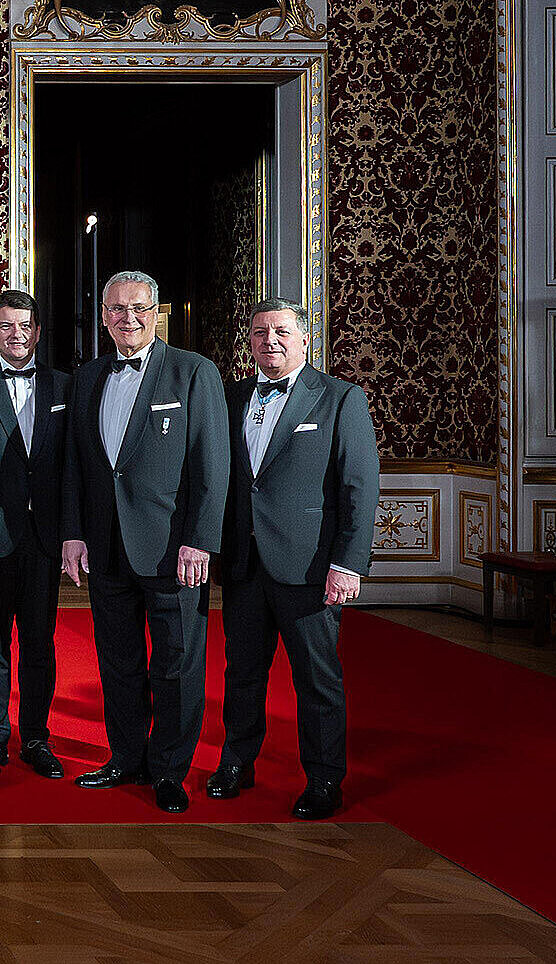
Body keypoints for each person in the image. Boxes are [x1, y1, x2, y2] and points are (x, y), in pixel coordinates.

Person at [61, 270, 230, 814]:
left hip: (172, 549)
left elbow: (212, 464)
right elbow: (78, 467)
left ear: (156, 312)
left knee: (177, 663)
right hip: (107, 548)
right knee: (118, 660)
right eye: (115, 308)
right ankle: (126, 757)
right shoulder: (87, 376)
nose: (126, 318)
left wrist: (200, 540)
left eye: (137, 308)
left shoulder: (192, 372)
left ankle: (169, 771)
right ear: (104, 315)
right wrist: (73, 533)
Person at [207, 299, 377, 820]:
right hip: (245, 562)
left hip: (309, 567)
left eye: (281, 331)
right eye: (259, 333)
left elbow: (360, 487)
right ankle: (237, 761)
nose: (269, 341)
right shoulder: (231, 396)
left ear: (304, 339)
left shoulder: (339, 398)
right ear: (249, 342)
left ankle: (325, 778)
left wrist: (347, 564)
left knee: (316, 678)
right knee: (242, 673)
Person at [0, 290, 71, 781]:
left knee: (39, 642)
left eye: (25, 325)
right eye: (6, 325)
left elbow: (75, 470)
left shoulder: (65, 386)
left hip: (44, 538)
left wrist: (73, 535)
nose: (17, 334)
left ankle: (36, 738)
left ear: (39, 331)